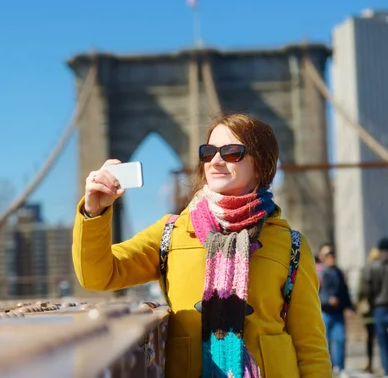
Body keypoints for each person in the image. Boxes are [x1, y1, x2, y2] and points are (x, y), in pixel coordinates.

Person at [72, 113, 332, 377]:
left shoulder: (291, 245)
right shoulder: (171, 233)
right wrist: (93, 212)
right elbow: (98, 275)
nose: (216, 161)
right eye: (209, 152)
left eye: (232, 153)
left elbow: (309, 344)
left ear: (262, 165)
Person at [317, 245, 355, 373]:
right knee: (326, 342)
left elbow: (344, 291)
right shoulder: (321, 273)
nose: (331, 259)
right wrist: (328, 300)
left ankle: (340, 368)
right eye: (329, 257)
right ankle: (329, 368)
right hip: (325, 313)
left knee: (340, 340)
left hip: (338, 313)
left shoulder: (339, 273)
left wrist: (349, 307)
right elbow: (316, 293)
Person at [362, 237, 388, 375]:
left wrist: (371, 303)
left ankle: (386, 370)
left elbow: (368, 288)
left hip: (378, 307)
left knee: (382, 342)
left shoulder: (372, 266)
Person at [358, 247, 380, 373]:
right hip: (381, 308)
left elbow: (361, 290)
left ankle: (370, 363)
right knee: (382, 338)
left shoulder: (365, 269)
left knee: (370, 337)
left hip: (369, 310)